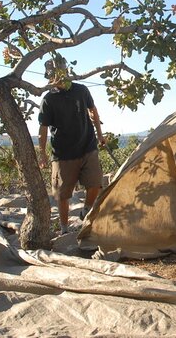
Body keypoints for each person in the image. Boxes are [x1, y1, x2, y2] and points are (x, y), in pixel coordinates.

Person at [38, 58, 106, 234]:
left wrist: (99, 135)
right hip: (63, 153)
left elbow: (94, 111)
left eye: (61, 72)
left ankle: (86, 210)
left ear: (66, 71)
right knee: (62, 194)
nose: (58, 77)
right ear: (49, 76)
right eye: (54, 74)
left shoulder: (81, 90)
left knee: (96, 182)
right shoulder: (49, 99)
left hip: (88, 146)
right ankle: (64, 229)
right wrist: (43, 154)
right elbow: (43, 129)